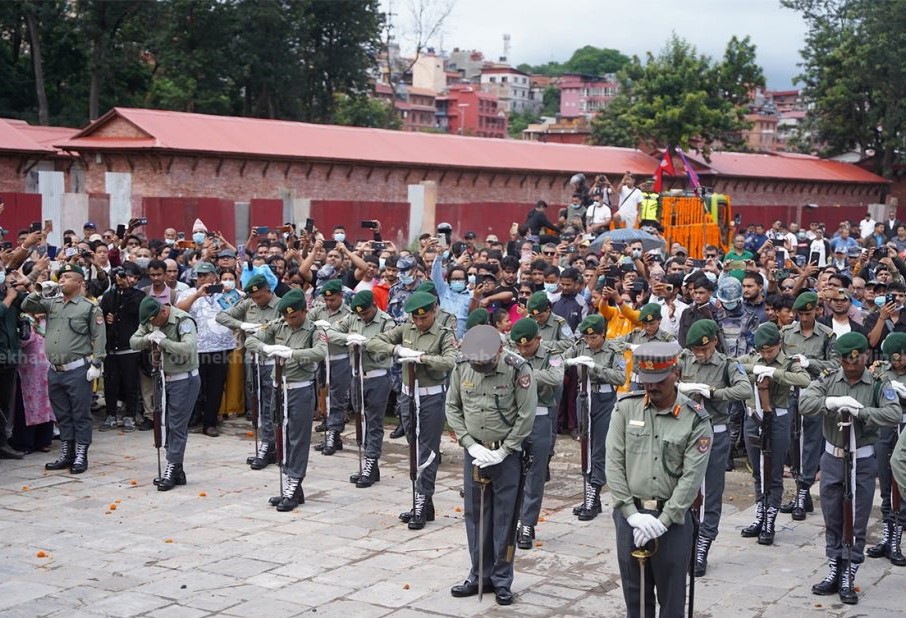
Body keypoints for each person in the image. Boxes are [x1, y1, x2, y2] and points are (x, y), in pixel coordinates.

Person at [605, 341, 712, 618]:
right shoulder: (626, 408)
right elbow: (614, 465)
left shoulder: (695, 419)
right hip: (632, 518)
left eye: (658, 381)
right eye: (646, 380)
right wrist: (630, 513)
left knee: (672, 599)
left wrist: (663, 522)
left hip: (673, 522)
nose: (651, 387)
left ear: (676, 373)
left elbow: (691, 478)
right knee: (635, 599)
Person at [800, 331, 900, 605]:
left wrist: (862, 412)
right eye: (845, 360)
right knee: (832, 515)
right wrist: (830, 403)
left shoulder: (879, 383)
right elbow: (805, 402)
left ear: (866, 357)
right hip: (833, 457)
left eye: (856, 360)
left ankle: (850, 570)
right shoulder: (829, 379)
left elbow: (893, 414)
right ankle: (835, 567)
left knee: (856, 518)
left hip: (863, 459)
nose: (851, 365)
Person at [446, 324, 537, 606]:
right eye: (477, 363)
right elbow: (453, 406)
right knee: (475, 516)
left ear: (499, 351)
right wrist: (468, 443)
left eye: (486, 363)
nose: (481, 367)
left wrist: (505, 450)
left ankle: (501, 579)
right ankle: (478, 575)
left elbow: (526, 414)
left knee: (504, 518)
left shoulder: (517, 368)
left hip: (505, 456)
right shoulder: (462, 366)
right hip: (474, 452)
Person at [368, 291, 458, 529]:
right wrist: (397, 351)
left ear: (433, 312)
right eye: (415, 318)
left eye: (423, 318)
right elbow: (375, 342)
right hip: (408, 395)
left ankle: (420, 499)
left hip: (430, 396)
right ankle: (424, 502)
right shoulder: (406, 329)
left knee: (427, 450)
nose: (418, 323)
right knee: (414, 446)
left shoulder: (443, 335)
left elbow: (450, 361)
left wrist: (422, 358)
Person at [676, 319, 751, 576]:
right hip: (684, 430)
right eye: (695, 349)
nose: (699, 354)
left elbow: (744, 389)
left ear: (714, 343)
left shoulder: (728, 364)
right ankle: (684, 540)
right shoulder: (684, 358)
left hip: (713, 431)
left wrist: (715, 393)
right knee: (682, 487)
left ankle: (703, 545)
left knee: (710, 492)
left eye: (703, 349)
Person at [245, 289, 327, 511]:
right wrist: (266, 348)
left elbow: (320, 352)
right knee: (280, 433)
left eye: (294, 317)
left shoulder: (315, 330)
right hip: (278, 388)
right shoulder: (278, 325)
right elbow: (250, 341)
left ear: (304, 310)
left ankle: (294, 480)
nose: (290, 321)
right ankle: (292, 484)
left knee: (297, 438)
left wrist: (293, 354)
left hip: (300, 389)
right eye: (287, 317)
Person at [22, 263, 106, 474]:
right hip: (55, 369)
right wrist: (40, 290)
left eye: (67, 277)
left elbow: (99, 337)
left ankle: (81, 453)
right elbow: (26, 306)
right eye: (61, 276)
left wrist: (97, 363)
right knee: (62, 414)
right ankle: (67, 452)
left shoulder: (89, 307)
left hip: (78, 369)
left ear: (80, 282)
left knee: (80, 413)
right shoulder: (53, 303)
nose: (62, 280)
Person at [737, 322, 810, 545]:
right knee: (758, 470)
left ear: (779, 345)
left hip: (777, 417)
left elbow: (804, 380)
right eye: (762, 351)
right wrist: (756, 369)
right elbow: (733, 366)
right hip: (753, 416)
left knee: (773, 471)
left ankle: (770, 520)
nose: (766, 355)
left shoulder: (789, 362)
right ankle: (760, 514)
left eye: (770, 351)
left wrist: (775, 373)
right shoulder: (752, 358)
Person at [129, 296, 200, 490]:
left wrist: (165, 342)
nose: (152, 324)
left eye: (154, 321)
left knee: (177, 424)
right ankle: (177, 468)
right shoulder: (151, 320)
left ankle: (172, 465)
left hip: (183, 378)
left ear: (163, 311)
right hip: (162, 378)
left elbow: (188, 347)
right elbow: (134, 341)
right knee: (165, 422)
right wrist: (148, 338)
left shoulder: (182, 320)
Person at [780, 292, 838, 520]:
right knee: (792, 440)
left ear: (817, 311)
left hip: (814, 392)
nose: (804, 318)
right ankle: (800, 492)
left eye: (808, 313)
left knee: (812, 441)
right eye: (800, 314)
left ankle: (804, 489)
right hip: (791, 392)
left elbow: (834, 364)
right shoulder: (786, 332)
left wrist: (810, 363)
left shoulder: (826, 335)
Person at [329, 290, 395, 487]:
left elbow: (388, 342)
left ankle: (371, 460)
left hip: (378, 376)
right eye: (360, 314)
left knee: (373, 422)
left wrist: (367, 343)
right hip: (357, 376)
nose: (363, 317)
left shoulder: (386, 321)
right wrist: (348, 338)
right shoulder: (352, 317)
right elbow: (330, 332)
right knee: (360, 418)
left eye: (366, 313)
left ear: (374, 305)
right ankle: (370, 465)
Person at [564, 314, 627, 520]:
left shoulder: (613, 350)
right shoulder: (580, 345)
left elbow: (620, 376)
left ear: (602, 334)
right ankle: (592, 497)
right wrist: (570, 361)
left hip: (604, 399)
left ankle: (593, 494)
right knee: (585, 447)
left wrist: (595, 367)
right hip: (584, 398)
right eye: (587, 338)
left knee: (599, 448)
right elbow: (557, 361)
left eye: (594, 338)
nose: (589, 342)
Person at [215, 274, 280, 469]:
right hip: (253, 361)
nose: (255, 301)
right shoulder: (247, 304)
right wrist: (241, 325)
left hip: (272, 361)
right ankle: (267, 445)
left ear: (268, 290)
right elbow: (221, 316)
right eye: (253, 297)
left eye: (259, 297)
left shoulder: (282, 305)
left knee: (271, 405)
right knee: (257, 403)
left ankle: (270, 444)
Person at [509, 318, 564, 550]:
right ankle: (512, 520)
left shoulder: (553, 354)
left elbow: (556, 378)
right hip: (514, 418)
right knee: (512, 471)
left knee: (535, 473)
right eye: (519, 346)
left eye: (528, 346)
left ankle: (528, 523)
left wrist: (526, 374)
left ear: (538, 340)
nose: (523, 350)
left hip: (541, 416)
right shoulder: (510, 353)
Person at [176, 261, 236, 437]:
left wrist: (229, 293)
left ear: (214, 276)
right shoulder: (188, 293)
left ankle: (210, 422)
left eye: (205, 275)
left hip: (222, 347)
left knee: (216, 387)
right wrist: (197, 295)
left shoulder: (225, 293)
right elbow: (179, 310)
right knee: (195, 386)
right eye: (199, 276)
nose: (202, 279)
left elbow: (238, 310)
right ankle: (194, 417)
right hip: (197, 348)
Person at [865, 332, 906, 565]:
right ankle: (888, 537)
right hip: (886, 429)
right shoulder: (883, 370)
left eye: (900, 358)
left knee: (901, 484)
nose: (896, 362)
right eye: (893, 358)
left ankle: (897, 539)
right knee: (885, 486)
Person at [309, 279, 352, 455]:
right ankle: (331, 433)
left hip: (340, 358)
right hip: (322, 359)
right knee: (325, 396)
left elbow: (349, 337)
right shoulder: (319, 310)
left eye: (332, 299)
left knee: (337, 398)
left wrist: (328, 335)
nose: (328, 303)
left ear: (340, 296)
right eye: (326, 300)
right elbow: (307, 324)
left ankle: (333, 433)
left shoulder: (348, 313)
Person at [99, 265, 144, 432]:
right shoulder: (110, 295)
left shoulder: (138, 295)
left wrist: (125, 289)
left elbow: (135, 309)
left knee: (130, 383)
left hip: (129, 347)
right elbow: (100, 315)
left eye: (131, 277)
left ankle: (130, 415)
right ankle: (111, 415)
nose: (127, 279)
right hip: (111, 347)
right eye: (124, 276)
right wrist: (107, 318)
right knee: (110, 383)